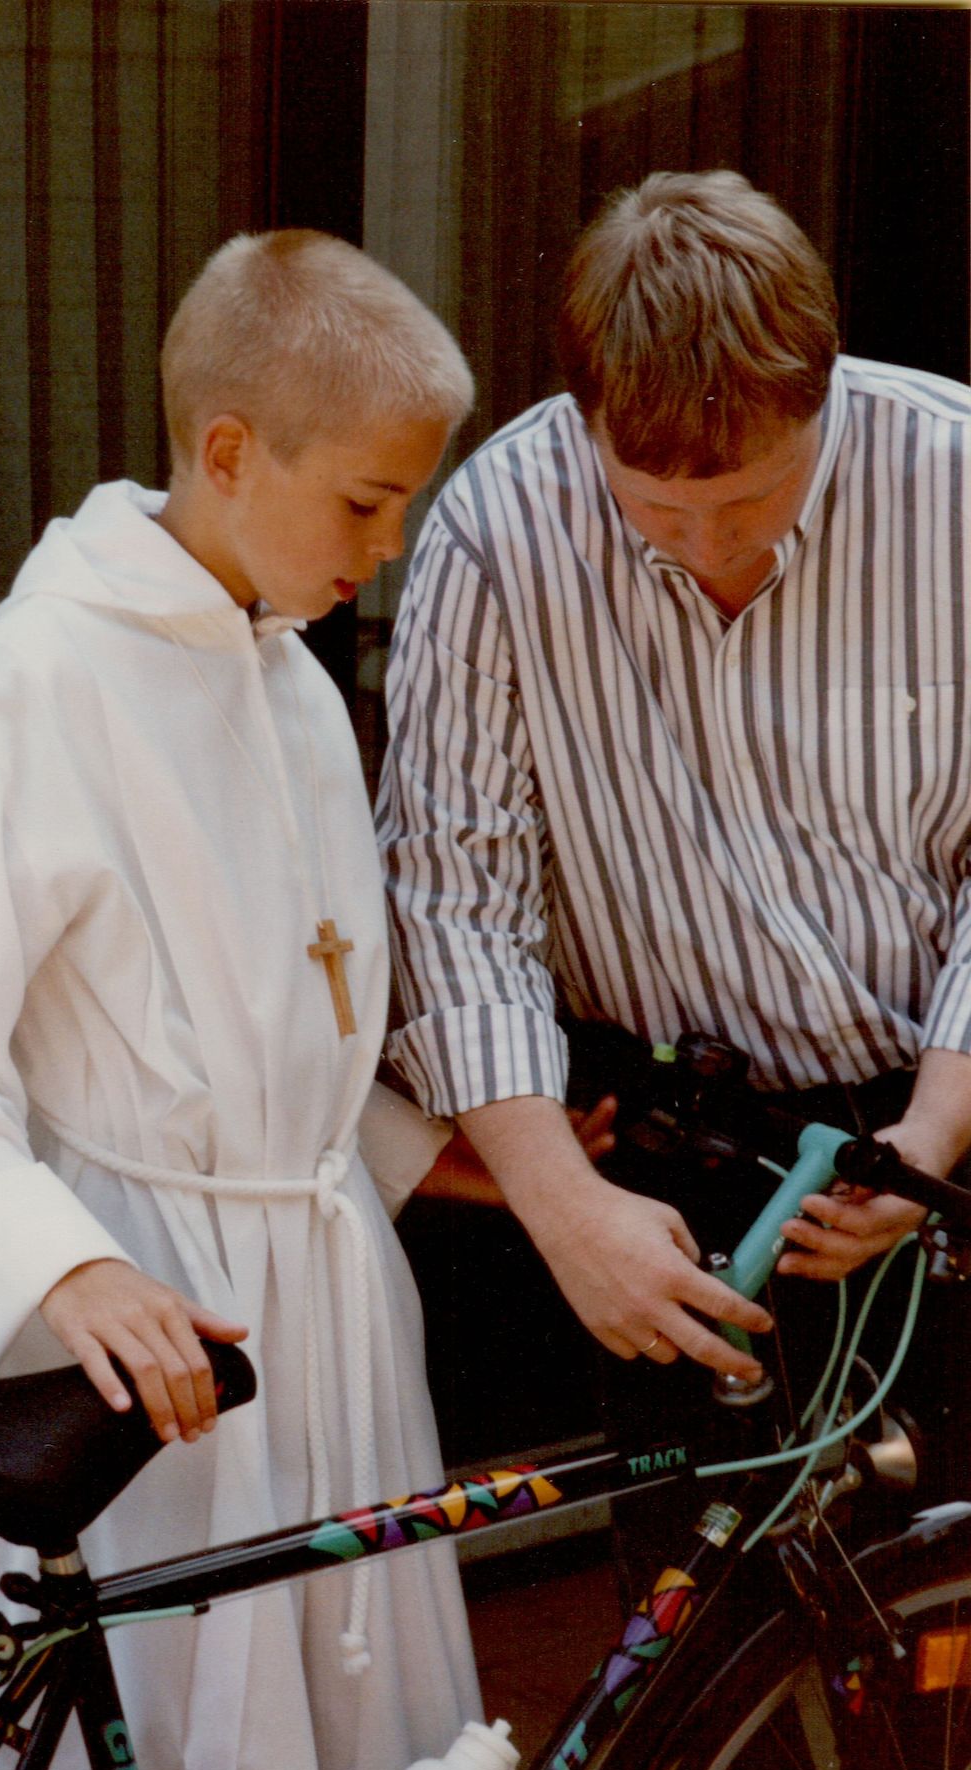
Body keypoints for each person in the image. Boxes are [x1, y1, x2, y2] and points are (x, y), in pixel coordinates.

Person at [0, 228, 482, 1770]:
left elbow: (271, 1024)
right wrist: (69, 1268)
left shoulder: (289, 673)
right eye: (367, 501)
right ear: (230, 449)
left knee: (350, 1758)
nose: (389, 544)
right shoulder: (36, 683)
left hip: (328, 1310)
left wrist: (415, 1152)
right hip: (159, 1333)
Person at [377, 170, 971, 1518]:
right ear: (588, 424)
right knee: (702, 1595)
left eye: (754, 501)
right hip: (666, 1161)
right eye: (653, 510)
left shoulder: (956, 484)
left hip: (945, 1107)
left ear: (826, 396)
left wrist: (933, 1136)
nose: (708, 549)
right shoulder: (494, 531)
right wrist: (562, 1210)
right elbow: (457, 897)